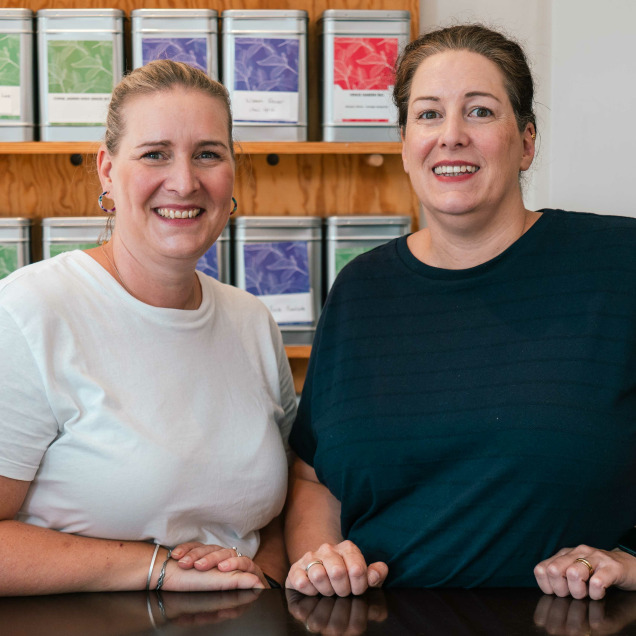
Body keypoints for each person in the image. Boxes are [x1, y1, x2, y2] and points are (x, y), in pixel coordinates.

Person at [284, 24, 636, 600]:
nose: (450, 136)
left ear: (526, 141)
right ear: (403, 143)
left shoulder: (618, 265)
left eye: (479, 111)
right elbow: (312, 476)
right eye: (427, 115)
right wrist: (319, 563)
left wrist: (632, 561)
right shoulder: (360, 289)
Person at [0, 60, 296, 595]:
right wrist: (158, 568)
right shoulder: (30, 311)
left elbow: (275, 514)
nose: (183, 182)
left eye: (208, 154)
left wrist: (259, 574)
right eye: (154, 154)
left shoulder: (252, 321)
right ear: (107, 171)